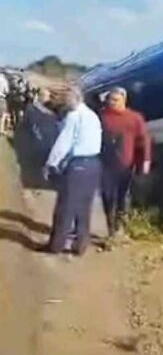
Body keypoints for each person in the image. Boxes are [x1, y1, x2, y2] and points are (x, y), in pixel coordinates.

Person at [42, 86, 102, 256]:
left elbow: (64, 143)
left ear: (74, 99)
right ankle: (80, 245)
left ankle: (56, 246)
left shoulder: (74, 117)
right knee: (84, 207)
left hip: (78, 165)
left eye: (66, 99)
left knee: (65, 207)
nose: (65, 103)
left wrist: (50, 163)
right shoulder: (92, 115)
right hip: (94, 164)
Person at [99, 86, 152, 240]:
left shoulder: (135, 118)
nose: (112, 103)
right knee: (107, 196)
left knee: (123, 197)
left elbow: (144, 141)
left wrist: (145, 161)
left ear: (124, 101)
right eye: (110, 99)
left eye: (116, 100)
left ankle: (119, 227)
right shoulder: (101, 116)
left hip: (126, 165)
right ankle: (110, 227)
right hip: (105, 164)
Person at [18, 88, 59, 186]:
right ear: (40, 96)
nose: (48, 99)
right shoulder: (32, 108)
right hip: (36, 139)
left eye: (48, 96)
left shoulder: (51, 109)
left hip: (46, 139)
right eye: (46, 96)